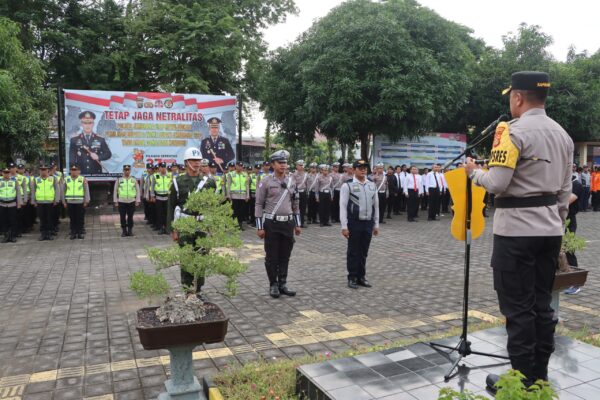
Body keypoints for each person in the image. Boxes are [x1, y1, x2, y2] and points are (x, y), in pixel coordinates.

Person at [465, 71, 573, 391]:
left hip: (515, 232)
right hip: (550, 231)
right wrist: (556, 221)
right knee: (542, 305)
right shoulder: (563, 135)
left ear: (517, 98)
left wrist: (475, 173)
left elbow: (498, 183)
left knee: (518, 308)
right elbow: (564, 194)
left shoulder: (510, 132)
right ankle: (539, 375)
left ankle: (520, 380)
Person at [168, 147, 217, 296]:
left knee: (202, 256)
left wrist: (213, 228)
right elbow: (171, 206)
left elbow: (213, 206)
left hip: (202, 224)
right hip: (185, 224)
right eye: (193, 160)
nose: (197, 163)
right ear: (186, 162)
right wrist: (173, 229)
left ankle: (199, 289)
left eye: (198, 160)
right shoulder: (178, 182)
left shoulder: (209, 182)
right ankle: (188, 290)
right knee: (187, 258)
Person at [254, 150, 301, 298]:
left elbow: (296, 204)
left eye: (285, 163)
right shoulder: (265, 181)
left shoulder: (292, 181)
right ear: (273, 164)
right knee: (272, 256)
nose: (283, 165)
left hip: (287, 223)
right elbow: (258, 204)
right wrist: (260, 227)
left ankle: (283, 283)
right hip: (271, 224)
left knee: (285, 255)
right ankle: (273, 284)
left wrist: (297, 224)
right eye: (280, 163)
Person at [340, 160, 379, 289]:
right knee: (353, 251)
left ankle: (361, 276)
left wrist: (376, 224)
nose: (363, 170)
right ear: (354, 169)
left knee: (364, 251)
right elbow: (343, 206)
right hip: (354, 222)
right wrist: (344, 226)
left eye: (365, 168)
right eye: (360, 168)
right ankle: (352, 277)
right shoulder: (348, 185)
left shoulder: (372, 185)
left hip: (368, 223)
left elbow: (376, 206)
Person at [564, 175, 584, 295]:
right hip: (557, 220)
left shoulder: (576, 184)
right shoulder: (562, 182)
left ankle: (575, 283)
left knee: (569, 251)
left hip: (569, 221)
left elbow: (567, 201)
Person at [31, 165, 60, 241]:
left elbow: (57, 190)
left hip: (50, 202)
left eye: (44, 170)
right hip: (40, 202)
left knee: (49, 218)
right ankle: (43, 234)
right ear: (39, 171)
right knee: (42, 219)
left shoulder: (53, 179)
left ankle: (49, 233)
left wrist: (56, 200)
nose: (43, 171)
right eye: (41, 170)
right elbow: (33, 191)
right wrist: (33, 201)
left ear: (47, 170)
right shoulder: (36, 179)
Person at [62, 165, 90, 240]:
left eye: (75, 170)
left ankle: (80, 233)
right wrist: (64, 202)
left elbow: (86, 190)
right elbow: (63, 191)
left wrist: (86, 201)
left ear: (79, 171)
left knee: (80, 218)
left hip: (80, 202)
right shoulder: (66, 179)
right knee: (72, 218)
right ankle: (73, 233)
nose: (74, 171)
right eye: (72, 170)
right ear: (70, 171)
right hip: (70, 202)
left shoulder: (82, 179)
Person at [113, 165, 141, 237]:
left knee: (130, 217)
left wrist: (137, 200)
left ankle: (130, 230)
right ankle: (124, 231)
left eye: (128, 170)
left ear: (130, 171)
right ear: (123, 171)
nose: (127, 171)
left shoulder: (134, 180)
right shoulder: (119, 180)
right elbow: (115, 191)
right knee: (122, 217)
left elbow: (138, 190)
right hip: (122, 201)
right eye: (125, 170)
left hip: (131, 201)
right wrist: (115, 201)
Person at [150, 162, 172, 234]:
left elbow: (172, 186)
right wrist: (152, 196)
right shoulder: (155, 176)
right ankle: (161, 228)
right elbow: (152, 187)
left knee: (166, 214)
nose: (163, 168)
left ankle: (166, 228)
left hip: (167, 198)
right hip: (158, 197)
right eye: (161, 167)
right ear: (159, 168)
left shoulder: (169, 175)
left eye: (164, 167)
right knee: (159, 214)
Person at [226, 161, 250, 230]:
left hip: (243, 196)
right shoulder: (231, 174)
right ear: (236, 166)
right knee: (234, 211)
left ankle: (240, 225)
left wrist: (247, 195)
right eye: (238, 166)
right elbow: (229, 185)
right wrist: (228, 195)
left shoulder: (245, 175)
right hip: (234, 196)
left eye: (241, 166)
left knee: (242, 211)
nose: (240, 167)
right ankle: (234, 225)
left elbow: (247, 185)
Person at [0, 166, 21, 243]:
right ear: (2, 173)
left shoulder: (14, 181)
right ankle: (6, 236)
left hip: (12, 204)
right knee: (3, 220)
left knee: (13, 220)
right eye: (5, 172)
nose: (6, 174)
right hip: (2, 204)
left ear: (10, 173)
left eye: (8, 172)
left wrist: (19, 203)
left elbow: (18, 192)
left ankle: (12, 236)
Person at [292, 160, 309, 228]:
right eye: (300, 165)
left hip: (303, 192)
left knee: (303, 208)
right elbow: (293, 185)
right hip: (296, 192)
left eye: (302, 165)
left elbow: (307, 184)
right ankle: (295, 222)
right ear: (296, 166)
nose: (301, 167)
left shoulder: (306, 174)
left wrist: (307, 192)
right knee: (295, 207)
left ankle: (302, 222)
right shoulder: (294, 174)